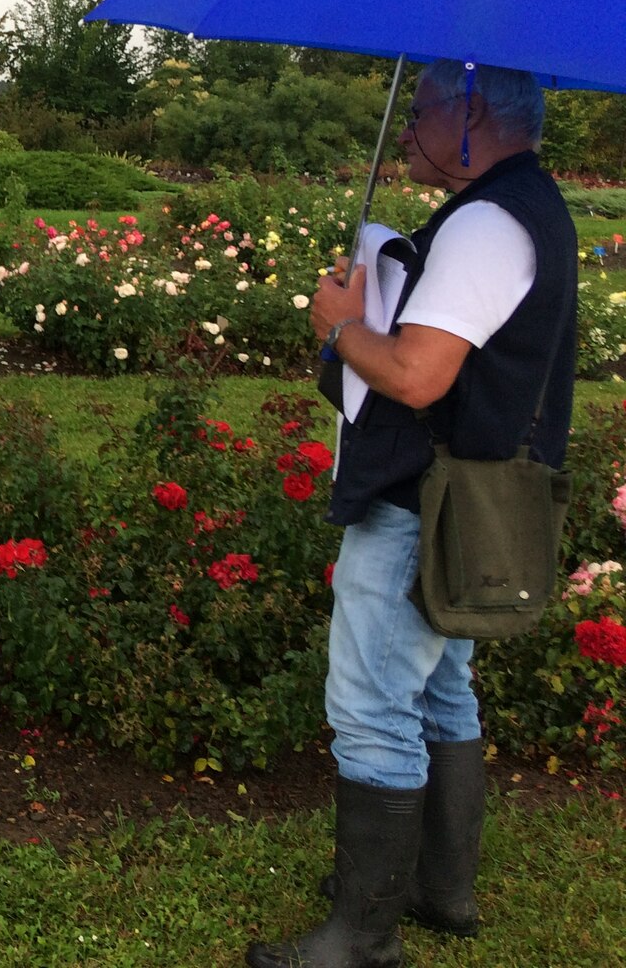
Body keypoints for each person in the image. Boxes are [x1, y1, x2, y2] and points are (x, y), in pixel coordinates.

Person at [247, 61, 577, 968]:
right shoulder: (532, 205)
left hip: (420, 503)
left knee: (372, 706)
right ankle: (440, 887)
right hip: (470, 499)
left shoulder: (483, 226)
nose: (407, 129)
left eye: (423, 110)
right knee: (439, 688)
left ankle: (364, 937)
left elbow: (418, 374)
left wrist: (342, 323)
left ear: (472, 113)